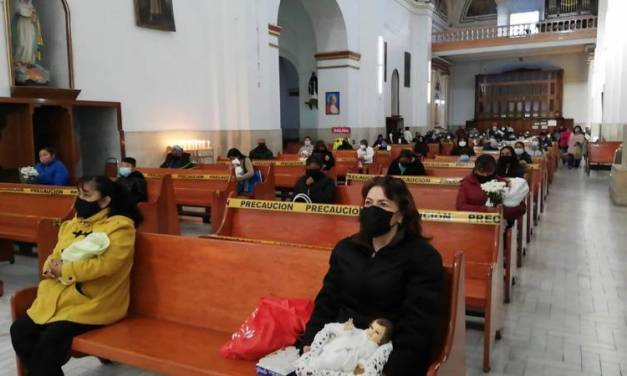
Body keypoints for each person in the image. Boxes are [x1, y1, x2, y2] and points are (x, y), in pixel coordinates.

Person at [300, 176, 444, 375]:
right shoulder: (346, 249)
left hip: (386, 352)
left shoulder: (422, 257)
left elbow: (418, 324)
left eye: (383, 204)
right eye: (368, 203)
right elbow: (327, 299)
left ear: (401, 215)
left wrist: (390, 369)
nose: (373, 210)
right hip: (339, 345)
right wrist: (310, 340)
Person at [10, 176, 142, 376]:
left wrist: (64, 270)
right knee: (20, 330)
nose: (79, 199)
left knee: (52, 338)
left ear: (105, 201)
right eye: (78, 194)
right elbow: (55, 253)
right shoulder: (72, 224)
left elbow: (107, 265)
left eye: (86, 195)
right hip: (59, 297)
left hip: (95, 302)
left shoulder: (120, 227)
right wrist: (50, 267)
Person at [456, 155, 526, 224]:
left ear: (494, 169)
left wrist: (501, 210)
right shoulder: (467, 183)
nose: (485, 175)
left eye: (489, 171)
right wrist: (485, 209)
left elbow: (521, 207)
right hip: (473, 223)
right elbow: (461, 206)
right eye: (481, 171)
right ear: (475, 169)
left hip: (498, 223)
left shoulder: (502, 183)